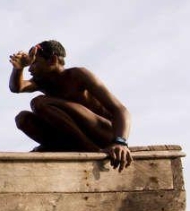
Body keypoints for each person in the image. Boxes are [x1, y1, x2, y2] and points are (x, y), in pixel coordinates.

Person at [8, 40, 132, 171]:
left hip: (103, 133)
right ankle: (59, 147)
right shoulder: (43, 82)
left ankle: (92, 150)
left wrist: (120, 142)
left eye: (34, 63)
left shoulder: (78, 75)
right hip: (74, 138)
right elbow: (17, 87)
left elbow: (120, 110)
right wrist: (18, 68)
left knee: (38, 102)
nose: (31, 69)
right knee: (22, 118)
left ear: (52, 60)